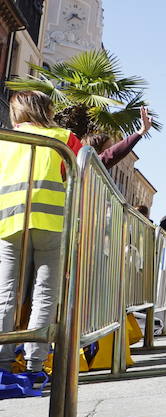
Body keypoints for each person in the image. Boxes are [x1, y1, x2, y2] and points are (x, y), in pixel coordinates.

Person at [0, 91, 82, 376]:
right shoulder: (64, 138)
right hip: (52, 221)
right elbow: (78, 176)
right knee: (45, 294)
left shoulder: (5, 140)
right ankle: (35, 366)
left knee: (7, 292)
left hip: (8, 222)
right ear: (45, 110)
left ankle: (3, 363)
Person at [85, 106, 154, 170]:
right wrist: (141, 131)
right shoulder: (90, 163)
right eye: (108, 148)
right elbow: (111, 155)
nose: (111, 149)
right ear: (98, 150)